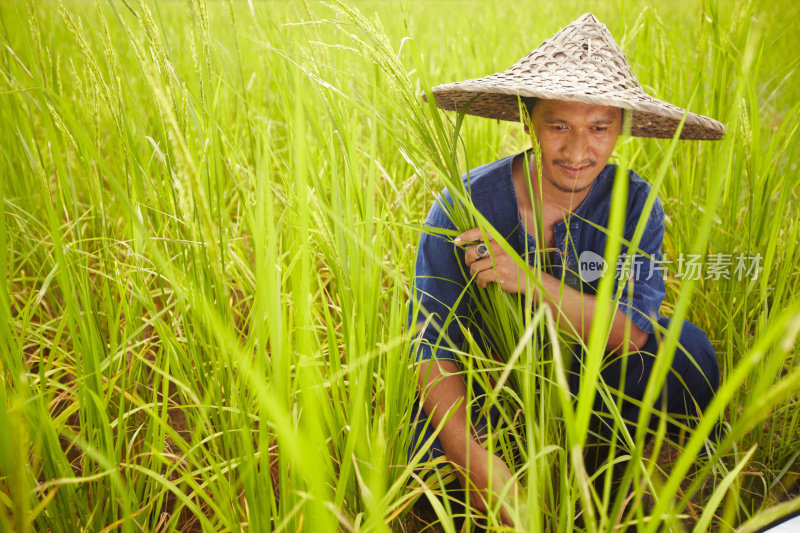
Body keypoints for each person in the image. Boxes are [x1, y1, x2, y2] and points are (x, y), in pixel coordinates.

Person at [407, 13, 724, 527]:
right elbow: (432, 341)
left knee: (685, 353)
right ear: (529, 121)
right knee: (433, 483)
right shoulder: (463, 205)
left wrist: (525, 279)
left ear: (621, 127)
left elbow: (629, 330)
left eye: (599, 128)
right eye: (559, 127)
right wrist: (472, 454)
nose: (579, 152)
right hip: (496, 381)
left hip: (592, 376)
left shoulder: (636, 202)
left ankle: (620, 469)